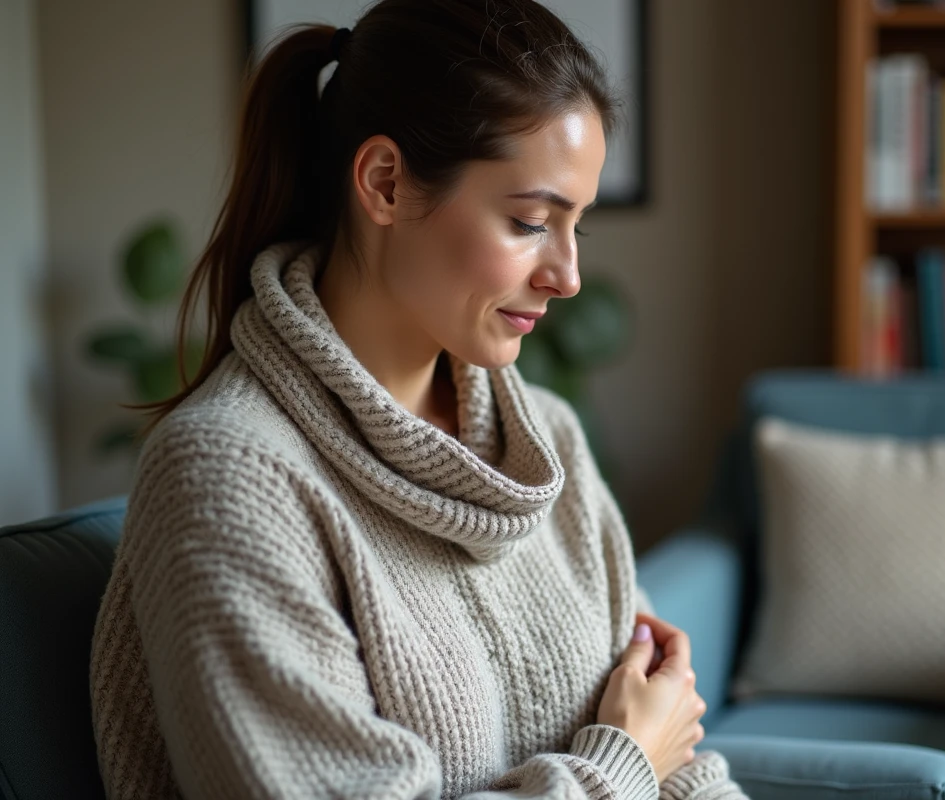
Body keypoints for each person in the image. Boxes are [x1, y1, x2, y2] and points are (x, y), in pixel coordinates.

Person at [88, 1, 747, 798]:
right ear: (385, 183)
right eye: (530, 221)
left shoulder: (549, 443)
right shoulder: (228, 479)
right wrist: (621, 768)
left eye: (578, 228)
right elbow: (644, 755)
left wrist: (649, 755)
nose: (567, 275)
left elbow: (680, 758)